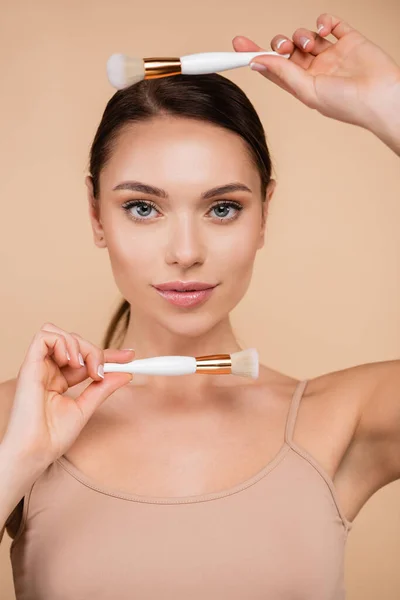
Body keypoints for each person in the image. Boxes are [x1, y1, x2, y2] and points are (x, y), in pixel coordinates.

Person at [0, 12, 399, 600]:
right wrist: (17, 463)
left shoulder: (347, 420)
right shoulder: (16, 420)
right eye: (142, 207)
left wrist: (389, 104)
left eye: (222, 209)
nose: (185, 253)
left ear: (265, 212)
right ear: (96, 215)